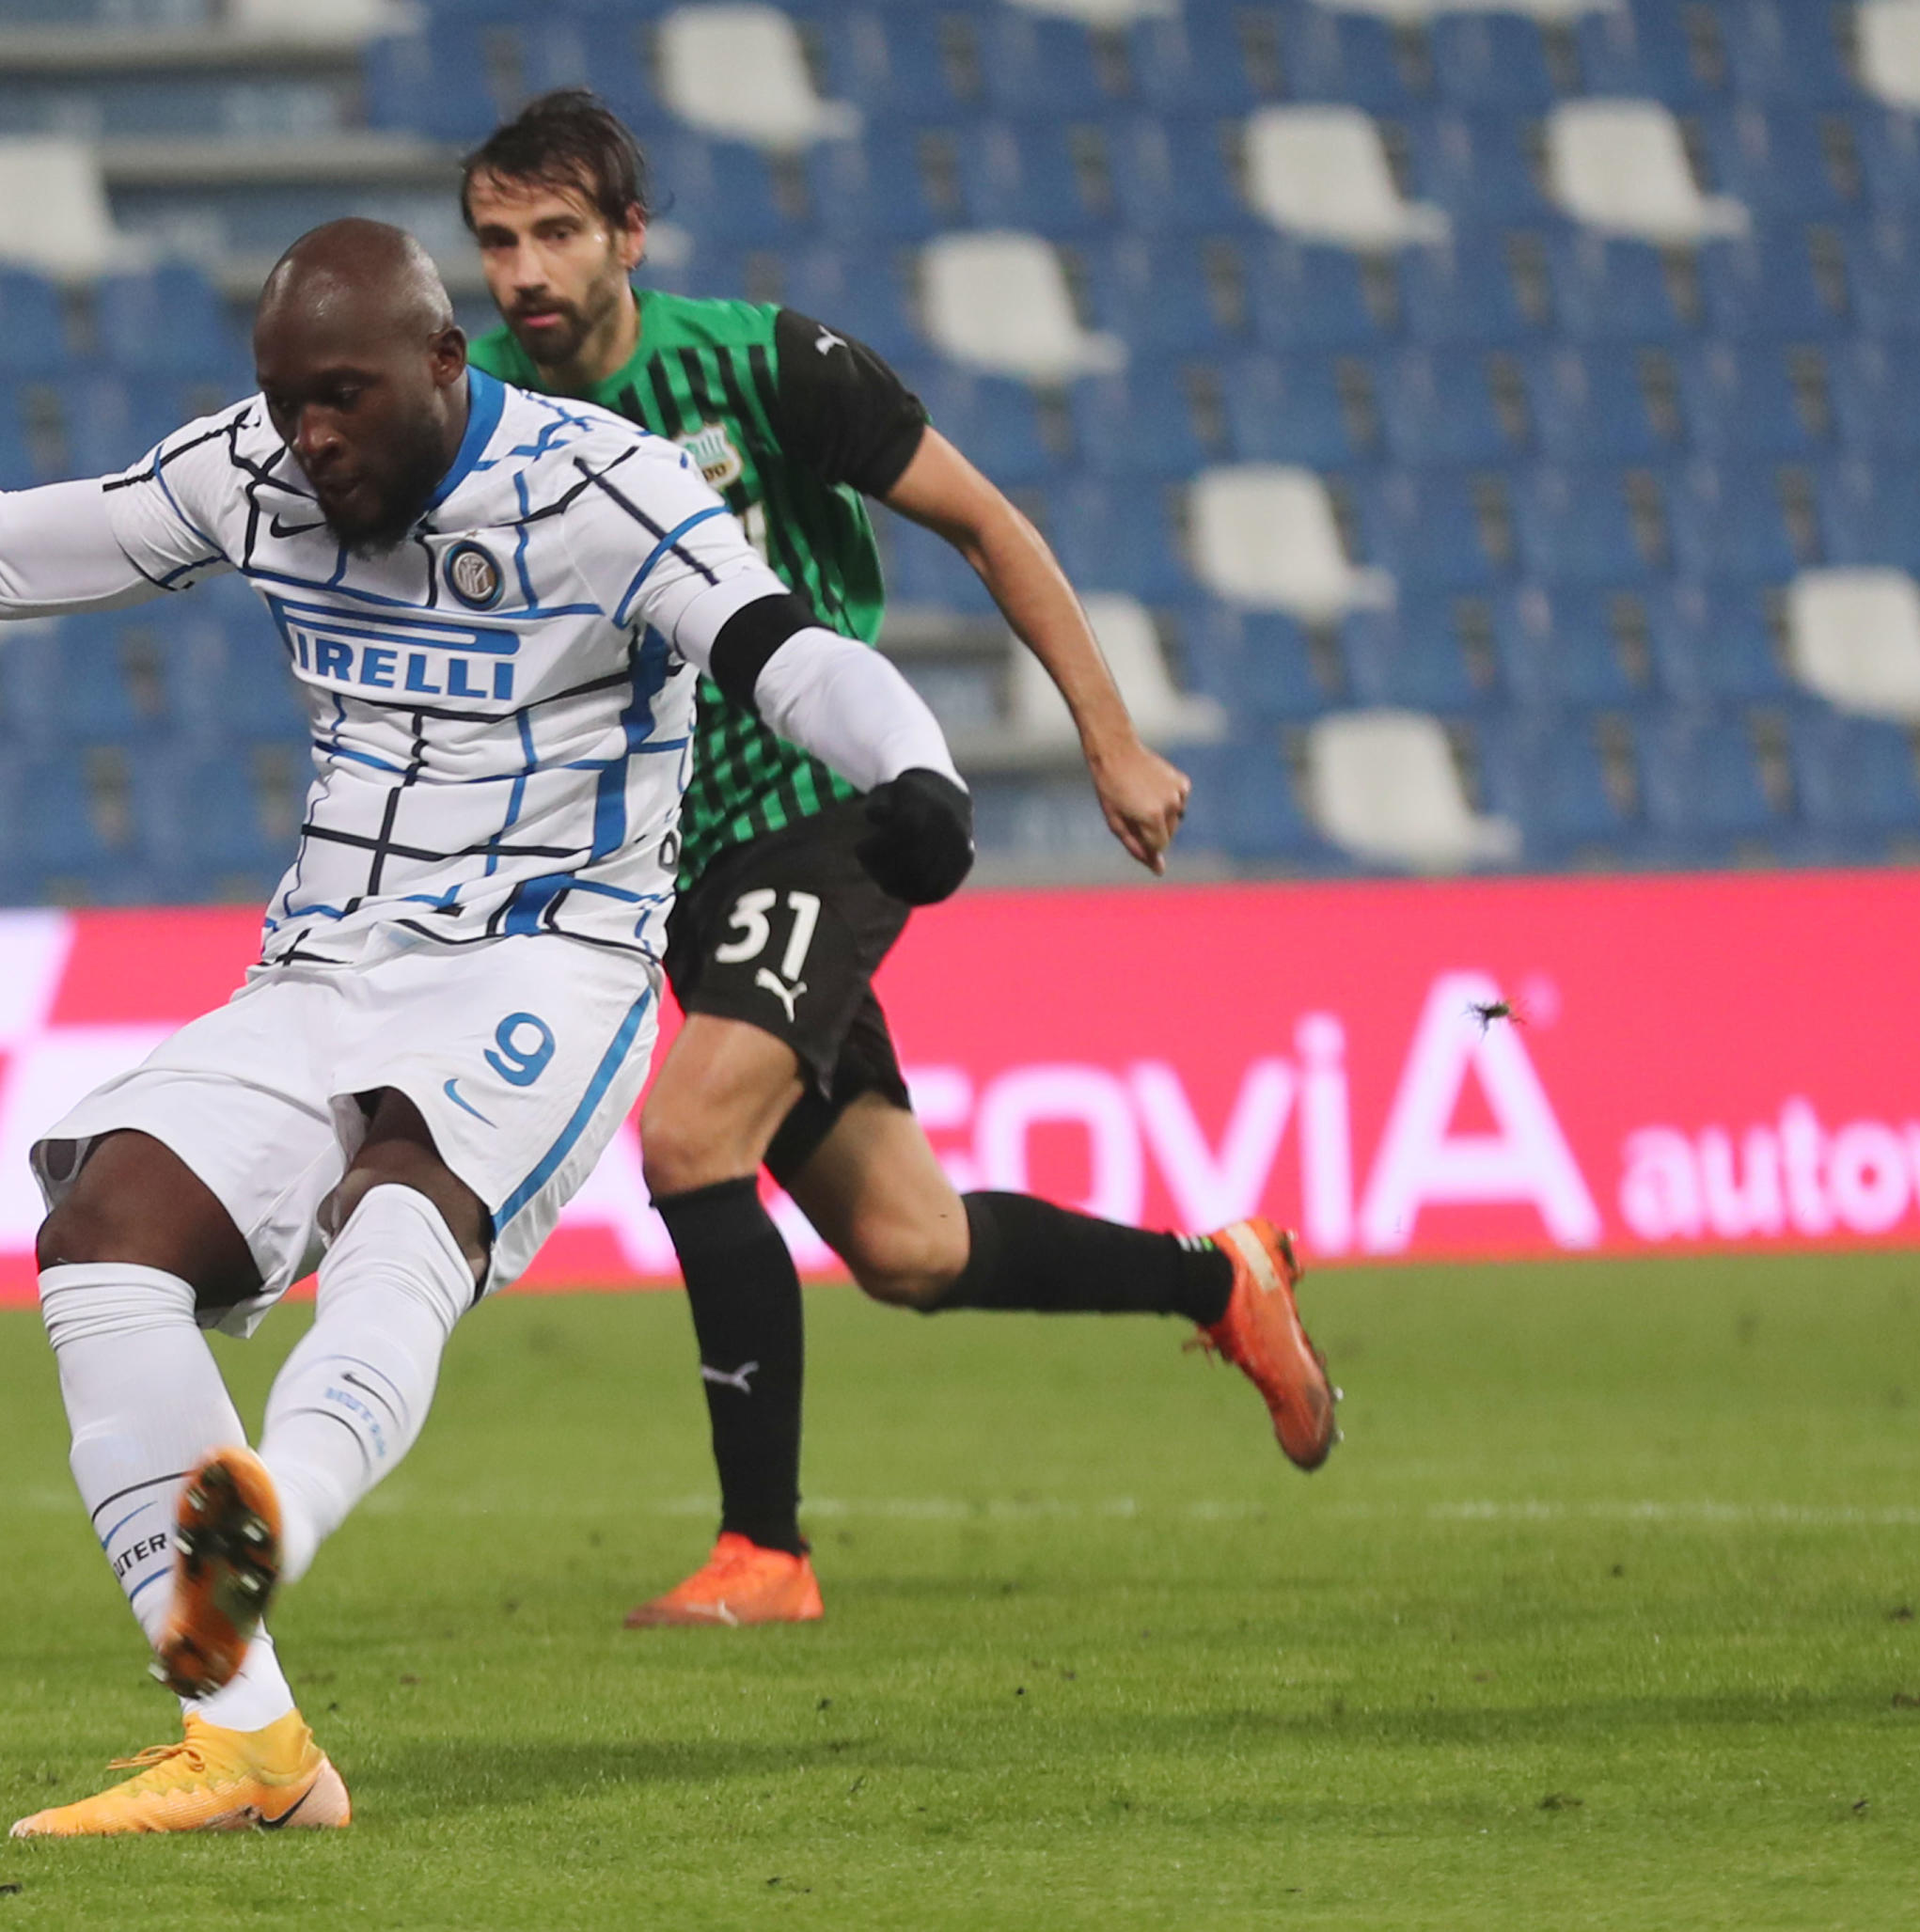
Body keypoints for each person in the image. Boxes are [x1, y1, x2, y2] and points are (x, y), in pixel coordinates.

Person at [0, 219, 980, 1835]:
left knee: (403, 1212)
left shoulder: (607, 488)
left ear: (446, 366)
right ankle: (250, 1749)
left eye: (344, 399)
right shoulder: (254, 473)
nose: (312, 438)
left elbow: (788, 655)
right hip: (324, 960)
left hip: (547, 956)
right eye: (286, 401)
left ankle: (267, 1516)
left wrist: (919, 774)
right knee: (104, 1232)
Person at [460, 91, 1338, 1631]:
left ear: (627, 240)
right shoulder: (477, 408)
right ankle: (1225, 1280)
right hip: (676, 869)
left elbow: (987, 524)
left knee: (688, 1141)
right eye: (495, 241)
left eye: (554, 234)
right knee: (910, 1248)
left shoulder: (763, 364)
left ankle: (765, 1556)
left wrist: (1110, 741)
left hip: (828, 814)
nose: (522, 271)